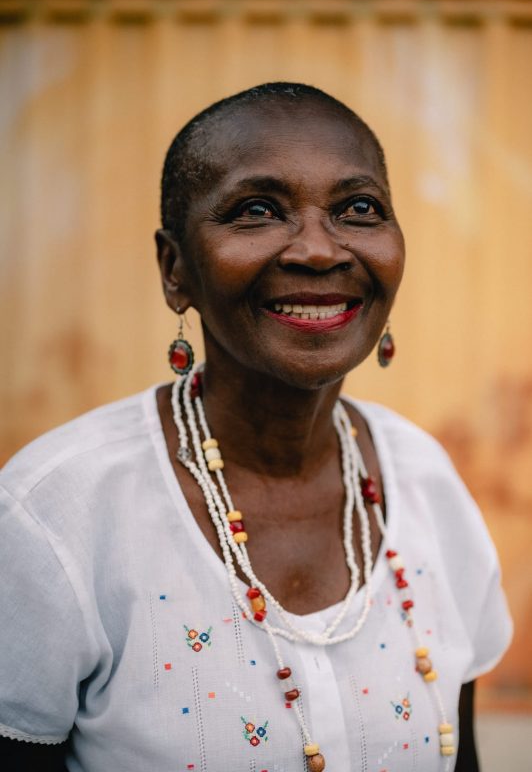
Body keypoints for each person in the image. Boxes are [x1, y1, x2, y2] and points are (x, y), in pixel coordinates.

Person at [0, 82, 512, 772]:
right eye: (256, 210)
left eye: (359, 209)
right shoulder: (57, 513)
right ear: (175, 268)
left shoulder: (426, 484)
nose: (319, 251)